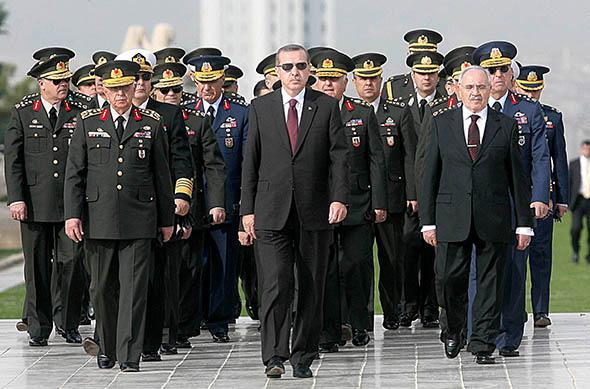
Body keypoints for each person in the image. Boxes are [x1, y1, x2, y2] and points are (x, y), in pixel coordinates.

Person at [240, 44, 349, 379]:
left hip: (313, 210)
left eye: (301, 66)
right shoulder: (260, 108)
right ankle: (274, 355)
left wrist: (339, 198)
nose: (295, 73)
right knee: (275, 284)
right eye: (288, 67)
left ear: (309, 70)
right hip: (270, 211)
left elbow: (339, 157)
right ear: (277, 70)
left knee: (311, 285)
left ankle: (303, 354)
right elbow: (250, 162)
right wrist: (247, 211)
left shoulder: (326, 106)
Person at [64, 59, 175, 372]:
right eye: (114, 88)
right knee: (101, 288)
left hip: (140, 218)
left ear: (133, 87)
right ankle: (107, 347)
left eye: (126, 87)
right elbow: (75, 173)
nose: (121, 93)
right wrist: (73, 216)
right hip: (98, 218)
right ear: (104, 89)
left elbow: (162, 176)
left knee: (134, 289)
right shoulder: (87, 122)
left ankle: (129, 355)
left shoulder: (150, 123)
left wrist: (167, 220)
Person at [420, 65, 534, 364]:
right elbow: (428, 174)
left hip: (493, 217)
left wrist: (524, 224)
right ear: (458, 89)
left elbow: (518, 179)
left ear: (489, 90)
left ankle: (483, 343)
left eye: (481, 87)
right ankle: (454, 329)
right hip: (450, 216)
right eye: (469, 87)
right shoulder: (441, 123)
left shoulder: (506, 125)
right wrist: (427, 221)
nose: (475, 93)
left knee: (490, 284)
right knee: (448, 279)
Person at [113, 48, 194, 361]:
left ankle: (152, 340)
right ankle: (118, 339)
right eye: (137, 77)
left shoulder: (168, 114)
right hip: (120, 210)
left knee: (157, 277)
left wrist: (181, 196)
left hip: (158, 206)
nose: (141, 83)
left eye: (146, 77)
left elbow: (181, 161)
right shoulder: (106, 115)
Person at [472, 41, 551, 357]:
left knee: (515, 271)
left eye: (503, 69)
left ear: (511, 73)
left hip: (516, 204)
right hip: (480, 203)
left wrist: (540, 196)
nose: (497, 75)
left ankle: (508, 337)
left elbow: (540, 157)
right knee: (478, 273)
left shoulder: (528, 110)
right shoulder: (473, 109)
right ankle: (478, 334)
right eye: (491, 70)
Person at [5, 50, 87, 346]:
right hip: (34, 205)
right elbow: (13, 161)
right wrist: (16, 198)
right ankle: (38, 327)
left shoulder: (80, 111)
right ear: (42, 83)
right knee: (37, 267)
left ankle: (68, 322)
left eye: (65, 79)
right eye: (56, 80)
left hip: (70, 206)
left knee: (72, 262)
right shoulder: (23, 113)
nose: (63, 84)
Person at [311, 49, 387, 352]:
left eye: (335, 79)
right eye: (324, 79)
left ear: (346, 82)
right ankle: (330, 330)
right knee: (326, 269)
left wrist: (378, 202)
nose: (329, 85)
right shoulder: (310, 111)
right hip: (320, 204)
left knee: (356, 265)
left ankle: (359, 324)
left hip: (357, 203)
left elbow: (376, 161)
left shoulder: (362, 112)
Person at [150, 60, 226, 349]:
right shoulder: (145, 120)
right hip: (151, 207)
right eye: (165, 89)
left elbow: (212, 166)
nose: (171, 94)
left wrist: (214, 203)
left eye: (176, 90)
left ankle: (181, 328)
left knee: (186, 271)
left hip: (186, 207)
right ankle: (163, 329)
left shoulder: (195, 122)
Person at [185, 53, 249, 343]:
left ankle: (220, 320)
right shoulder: (186, 112)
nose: (207, 88)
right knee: (197, 263)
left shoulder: (240, 113)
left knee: (224, 265)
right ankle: (194, 315)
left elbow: (247, 161)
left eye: (212, 81)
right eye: (201, 82)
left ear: (223, 80)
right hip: (195, 201)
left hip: (228, 199)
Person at [351, 52, 417, 331]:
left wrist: (412, 194)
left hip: (392, 197)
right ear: (355, 81)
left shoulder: (396, 112)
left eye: (373, 78)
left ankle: (394, 311)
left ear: (381, 80)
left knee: (393, 259)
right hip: (360, 199)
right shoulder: (347, 113)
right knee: (360, 261)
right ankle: (362, 317)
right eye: (363, 79)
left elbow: (409, 157)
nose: (369, 84)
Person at [515, 64, 569, 326]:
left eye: (535, 90)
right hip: (515, 196)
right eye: (527, 89)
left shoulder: (552, 118)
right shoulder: (508, 115)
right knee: (515, 256)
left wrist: (562, 198)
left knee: (541, 254)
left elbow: (559, 159)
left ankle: (540, 310)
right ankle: (515, 310)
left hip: (543, 198)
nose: (531, 95)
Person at [400, 50, 446, 328]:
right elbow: (404, 155)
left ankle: (430, 306)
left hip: (440, 190)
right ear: (413, 76)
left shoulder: (446, 105)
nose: (426, 77)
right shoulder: (402, 106)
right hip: (410, 193)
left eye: (431, 73)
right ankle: (408, 305)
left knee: (434, 250)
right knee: (407, 250)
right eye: (421, 73)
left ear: (437, 75)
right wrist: (412, 193)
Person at [381, 29, 446, 101]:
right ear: (408, 55)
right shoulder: (393, 87)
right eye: (417, 55)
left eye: (428, 55)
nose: (423, 59)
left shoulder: (447, 87)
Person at [569, 140, 590, 263]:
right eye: (585, 148)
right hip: (578, 201)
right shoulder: (574, 164)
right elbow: (570, 182)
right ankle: (575, 251)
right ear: (582, 149)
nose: (587, 151)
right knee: (576, 228)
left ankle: (589, 255)